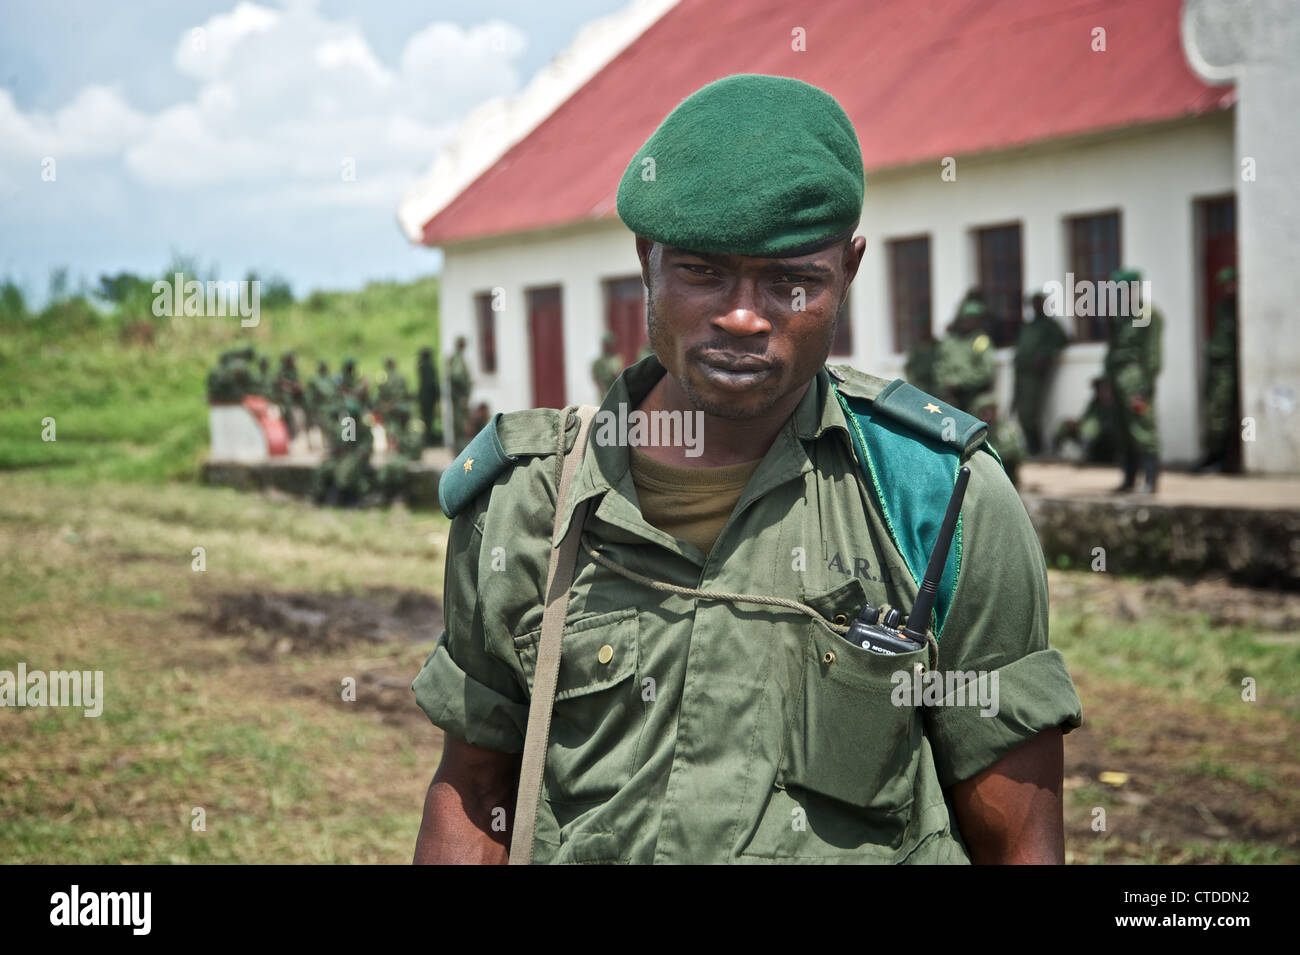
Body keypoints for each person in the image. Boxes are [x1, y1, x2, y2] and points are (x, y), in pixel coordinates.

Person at [411, 74, 1081, 865]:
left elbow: (1018, 836)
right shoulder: (525, 501)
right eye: (702, 271)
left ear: (850, 271)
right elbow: (477, 790)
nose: (742, 314)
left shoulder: (939, 500)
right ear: (646, 261)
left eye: (792, 279)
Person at [1103, 268, 1163, 493]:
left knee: (1142, 427)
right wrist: (1107, 381)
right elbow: (1112, 349)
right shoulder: (1118, 315)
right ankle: (1129, 479)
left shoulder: (1147, 315)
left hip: (1135, 377)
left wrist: (1145, 386)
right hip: (1117, 376)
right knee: (1123, 429)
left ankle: (1150, 480)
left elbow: (1153, 354)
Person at [1012, 291, 1068, 455]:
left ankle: (1036, 448)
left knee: (1030, 413)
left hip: (1035, 376)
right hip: (1021, 374)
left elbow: (1063, 340)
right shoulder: (1027, 326)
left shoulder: (1049, 326)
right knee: (1021, 412)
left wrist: (1046, 355)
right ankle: (1031, 447)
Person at [1199, 266, 1239, 472]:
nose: (1228, 289)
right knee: (1212, 411)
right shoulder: (1222, 306)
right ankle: (1212, 456)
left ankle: (1222, 459)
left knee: (1222, 414)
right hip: (1216, 364)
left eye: (1231, 284)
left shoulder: (1240, 306)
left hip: (1229, 366)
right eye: (1225, 285)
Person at [934, 299, 997, 413]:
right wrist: (945, 382)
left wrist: (959, 382)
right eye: (966, 318)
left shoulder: (980, 340)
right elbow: (940, 366)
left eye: (973, 319)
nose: (968, 322)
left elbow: (986, 371)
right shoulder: (950, 342)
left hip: (972, 395)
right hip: (950, 396)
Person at [1053, 376, 1116, 464]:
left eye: (1104, 389)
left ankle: (1085, 456)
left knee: (1091, 427)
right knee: (1066, 425)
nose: (1100, 391)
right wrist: (1075, 423)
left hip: (1106, 439)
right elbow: (1085, 418)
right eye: (1099, 389)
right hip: (1087, 433)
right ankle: (1051, 452)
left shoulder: (1115, 406)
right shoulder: (1094, 404)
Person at [447, 337, 472, 454]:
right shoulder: (458, 359)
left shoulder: (455, 358)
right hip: (459, 397)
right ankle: (461, 452)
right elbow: (457, 376)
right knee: (461, 424)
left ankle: (459, 451)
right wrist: (463, 394)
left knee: (460, 424)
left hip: (458, 396)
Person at [376, 356, 413, 433]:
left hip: (388, 405)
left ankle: (391, 435)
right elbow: (406, 392)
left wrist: (385, 403)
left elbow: (380, 393)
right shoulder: (401, 376)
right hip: (401, 404)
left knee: (388, 422)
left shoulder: (382, 376)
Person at [417, 347, 443, 447]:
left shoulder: (421, 365)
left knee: (426, 417)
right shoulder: (429, 366)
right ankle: (428, 439)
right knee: (428, 418)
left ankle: (427, 438)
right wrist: (437, 393)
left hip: (424, 396)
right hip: (429, 396)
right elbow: (431, 383)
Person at [591, 333, 624, 398]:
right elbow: (595, 377)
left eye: (612, 344)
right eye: (607, 345)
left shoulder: (617, 359)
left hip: (617, 390)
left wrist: (617, 376)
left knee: (622, 406)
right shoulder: (598, 362)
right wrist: (601, 387)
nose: (610, 347)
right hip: (605, 391)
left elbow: (621, 373)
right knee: (605, 407)